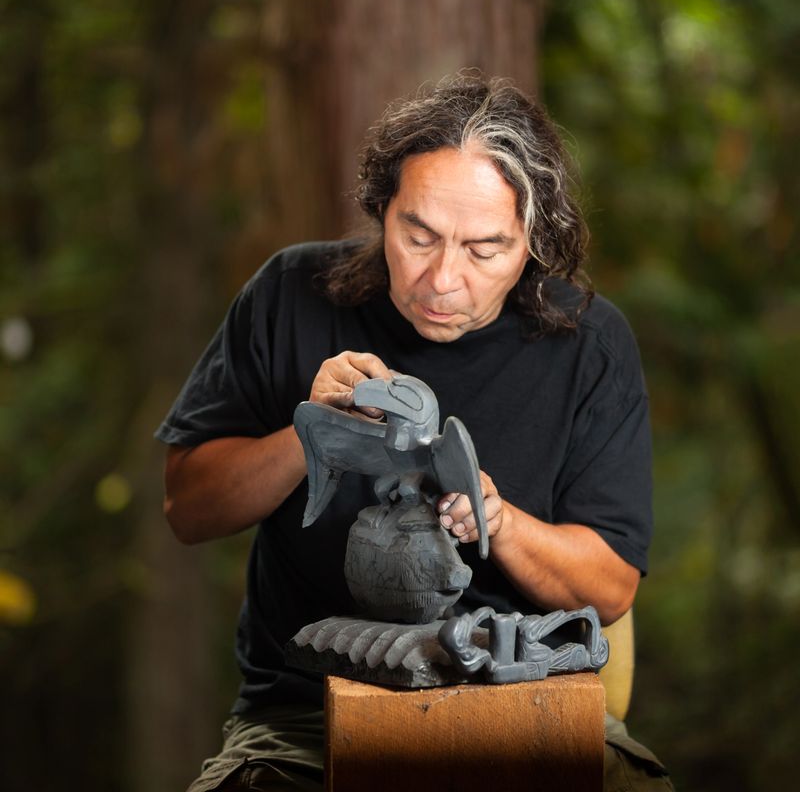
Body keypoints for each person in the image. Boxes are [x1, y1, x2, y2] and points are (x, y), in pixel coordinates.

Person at [157, 71, 673, 791]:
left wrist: (498, 520)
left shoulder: (590, 344)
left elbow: (610, 589)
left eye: (484, 249)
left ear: (533, 242)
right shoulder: (289, 295)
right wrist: (311, 433)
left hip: (529, 703)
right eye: (419, 235)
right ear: (382, 208)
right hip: (307, 717)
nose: (441, 280)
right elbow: (188, 509)